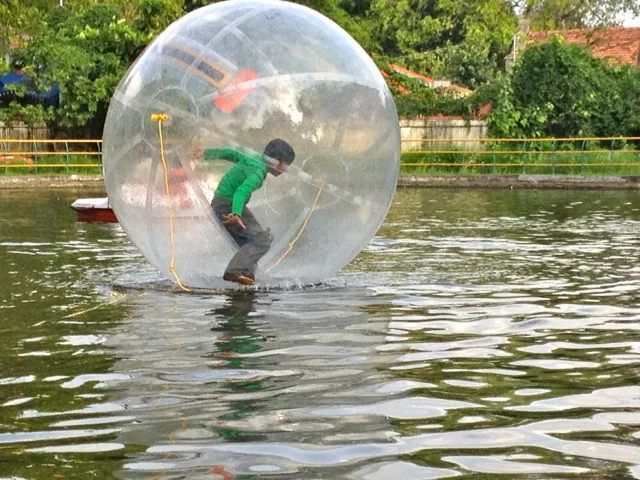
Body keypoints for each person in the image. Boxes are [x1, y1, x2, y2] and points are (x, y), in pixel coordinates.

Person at [188, 139, 295, 286]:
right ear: (277, 163)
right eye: (286, 166)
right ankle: (236, 271)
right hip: (228, 207)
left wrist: (206, 152)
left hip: (221, 204)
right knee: (262, 240)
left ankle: (247, 274)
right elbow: (241, 192)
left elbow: (230, 153)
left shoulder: (254, 158)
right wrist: (236, 214)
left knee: (252, 239)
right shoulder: (258, 173)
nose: (285, 171)